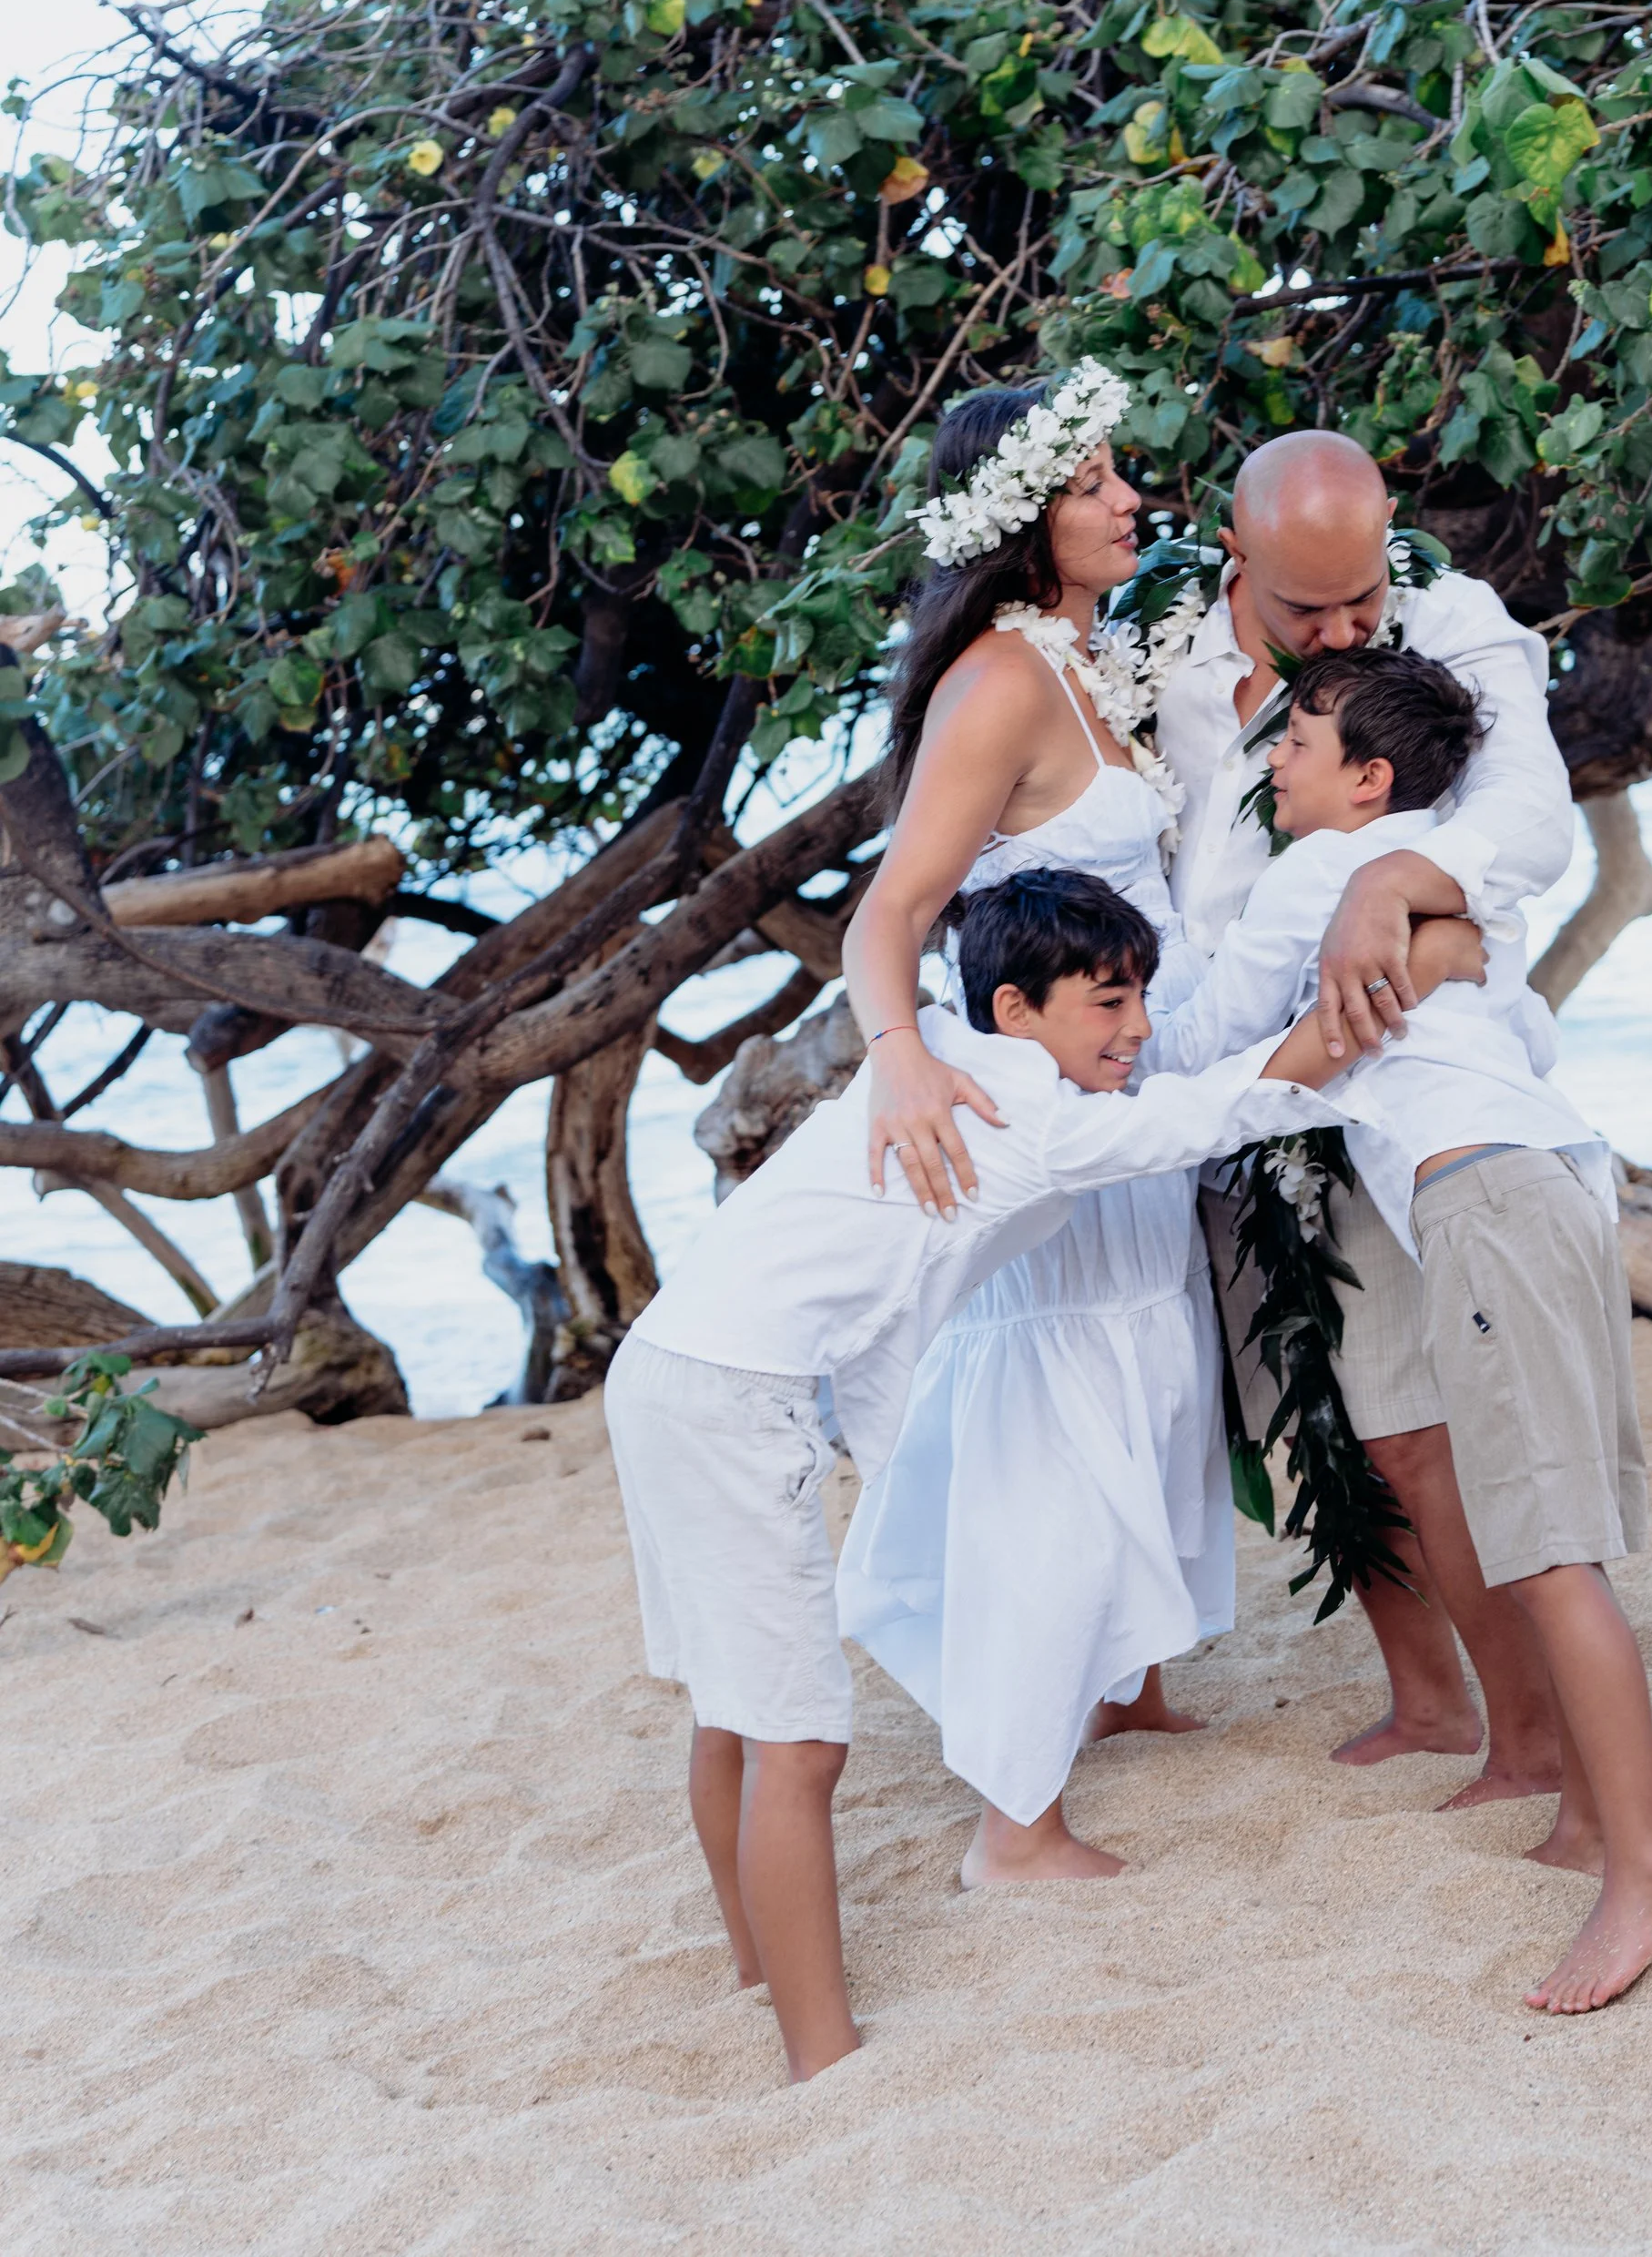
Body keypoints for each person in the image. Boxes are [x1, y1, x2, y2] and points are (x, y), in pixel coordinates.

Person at [604, 869, 1482, 2079]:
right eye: (1108, 1000)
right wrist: (1400, 977)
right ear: (1016, 1008)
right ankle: (823, 2060)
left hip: (665, 1368)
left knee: (732, 1708)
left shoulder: (939, 1071)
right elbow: (1231, 1108)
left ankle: (764, 1971)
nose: (1136, 1028)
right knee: (798, 1743)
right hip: (731, 1402)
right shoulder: (1030, 1121)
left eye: (1141, 997)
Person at [1155, 647, 1652, 2012]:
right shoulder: (1453, 870)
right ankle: (1587, 1818)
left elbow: (1205, 1047)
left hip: (1482, 1196)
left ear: (1370, 778)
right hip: (1551, 1174)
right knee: (1544, 1533)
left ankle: (1649, 1870)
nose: (1273, 760)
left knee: (1548, 1548)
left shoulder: (1321, 879)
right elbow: (1515, 1024)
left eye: (1301, 741)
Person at [836, 362, 1231, 1886]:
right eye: (1090, 484)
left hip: (1127, 1074)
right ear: (1019, 523)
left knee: (1150, 1372)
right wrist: (900, 1057)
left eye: (1124, 471)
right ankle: (1017, 1819)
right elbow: (894, 914)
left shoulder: (1093, 659)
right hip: (1054, 1096)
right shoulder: (999, 682)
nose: (1131, 498)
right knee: (1060, 1416)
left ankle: (1125, 1688)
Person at [1146, 430, 1578, 1785]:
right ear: (1235, 549)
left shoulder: (1449, 620)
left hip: (1368, 1055)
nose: (1343, 627)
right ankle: (1425, 1695)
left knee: (1408, 1423)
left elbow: (1534, 823)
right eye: (1306, 609)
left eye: (1359, 601)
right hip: (1220, 1078)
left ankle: (1527, 1726)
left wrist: (1381, 884)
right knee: (1305, 1409)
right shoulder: (1159, 653)